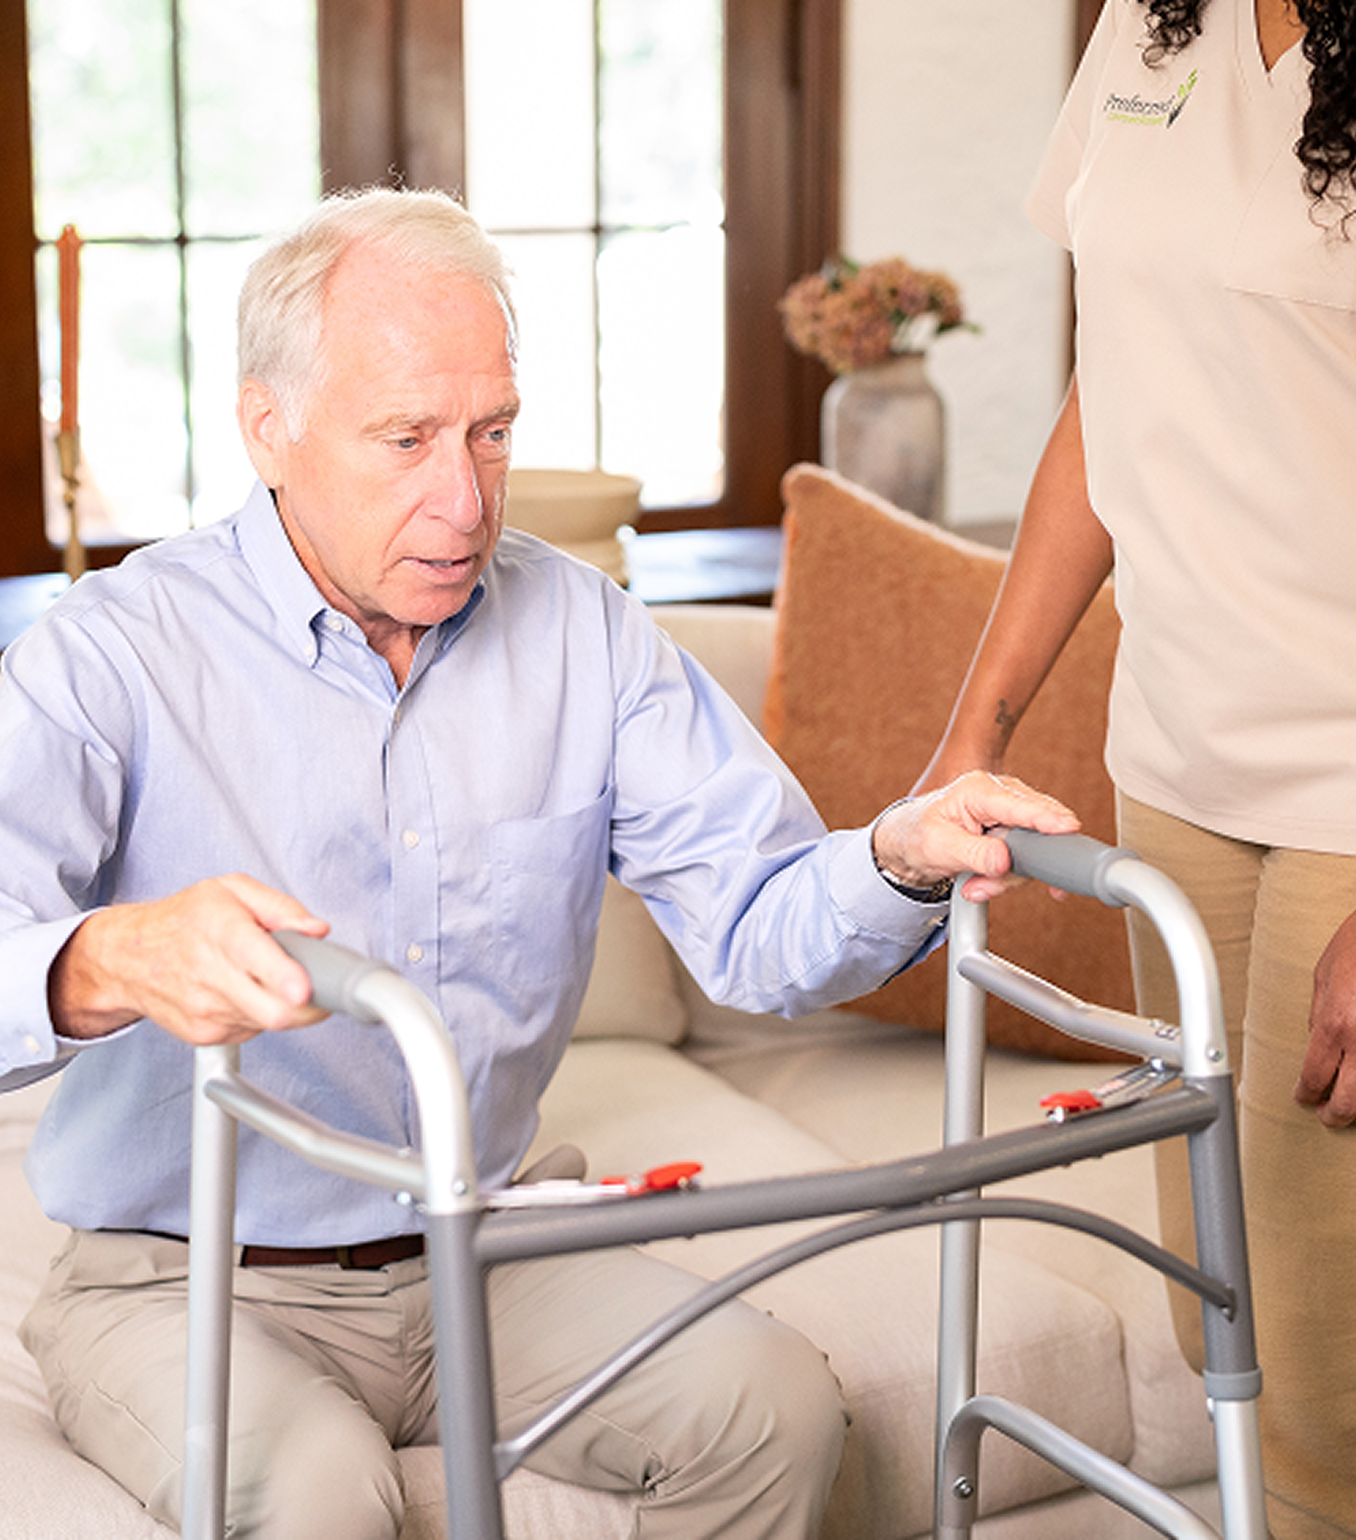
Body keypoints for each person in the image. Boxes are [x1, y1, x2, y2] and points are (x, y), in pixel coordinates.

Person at [0, 187, 1079, 1540]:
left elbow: (758, 922)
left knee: (777, 1418)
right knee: (323, 1497)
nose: (463, 498)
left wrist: (900, 858)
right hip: (182, 1275)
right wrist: (106, 957)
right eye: (404, 440)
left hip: (484, 1240)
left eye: (490, 433)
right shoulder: (112, 650)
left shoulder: (590, 634)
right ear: (267, 426)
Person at [915, 2, 1356, 1535]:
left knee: (1324, 1369)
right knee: (1217, 1308)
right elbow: (1113, 395)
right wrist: (980, 728)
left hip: (1348, 799)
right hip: (1176, 765)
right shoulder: (1151, 34)